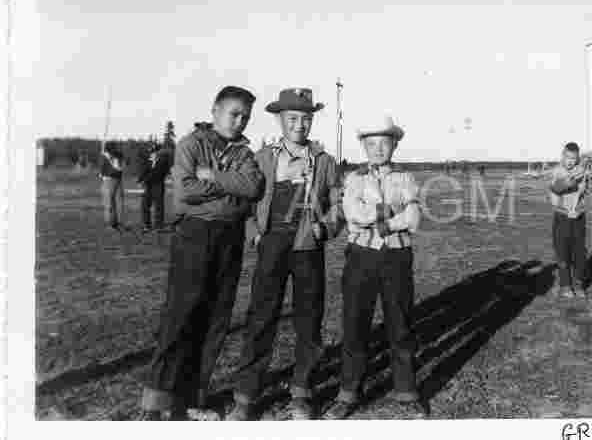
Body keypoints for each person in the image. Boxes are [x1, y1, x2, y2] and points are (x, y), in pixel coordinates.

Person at [137, 85, 265, 421]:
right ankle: (155, 402)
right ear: (215, 110)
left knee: (216, 319)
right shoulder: (191, 144)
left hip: (230, 238)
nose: (239, 122)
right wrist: (230, 188)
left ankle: (192, 398)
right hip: (194, 236)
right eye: (234, 114)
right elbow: (185, 192)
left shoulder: (245, 153)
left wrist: (212, 177)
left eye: (246, 117)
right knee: (180, 316)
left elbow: (254, 187)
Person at [225, 88, 343, 421]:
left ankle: (302, 393)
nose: (299, 125)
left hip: (308, 247)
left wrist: (325, 227)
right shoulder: (263, 158)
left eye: (305, 119)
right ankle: (245, 397)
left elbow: (338, 202)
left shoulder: (324, 161)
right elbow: (245, 201)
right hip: (272, 244)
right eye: (292, 118)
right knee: (261, 318)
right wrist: (254, 232)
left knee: (309, 319)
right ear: (280, 119)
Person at [323, 115, 427, 420]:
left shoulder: (405, 178)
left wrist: (383, 223)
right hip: (361, 257)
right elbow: (353, 213)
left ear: (394, 145)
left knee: (400, 323)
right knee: (355, 323)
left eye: (384, 143)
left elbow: (414, 219)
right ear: (363, 147)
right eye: (371, 144)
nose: (378, 149)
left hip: (397, 256)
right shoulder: (354, 179)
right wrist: (391, 212)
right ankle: (348, 392)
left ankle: (406, 391)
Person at [549, 142, 592, 299]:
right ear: (562, 156)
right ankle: (565, 285)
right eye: (568, 157)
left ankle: (578, 284)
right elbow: (555, 188)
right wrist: (570, 181)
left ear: (577, 159)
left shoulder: (581, 170)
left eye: (574, 159)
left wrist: (588, 180)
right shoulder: (557, 171)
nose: (570, 161)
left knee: (579, 253)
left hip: (578, 217)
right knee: (562, 252)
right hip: (562, 217)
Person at [138, 143, 171, 231]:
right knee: (145, 205)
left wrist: (145, 180)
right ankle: (146, 225)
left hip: (158, 185)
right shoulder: (148, 161)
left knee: (158, 206)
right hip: (148, 186)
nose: (152, 154)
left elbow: (157, 174)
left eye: (154, 152)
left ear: (157, 152)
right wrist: (140, 180)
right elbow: (143, 171)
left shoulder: (163, 162)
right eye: (151, 152)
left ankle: (159, 225)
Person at [99, 142, 125, 230]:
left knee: (114, 203)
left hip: (113, 180)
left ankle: (115, 223)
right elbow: (102, 171)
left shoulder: (115, 156)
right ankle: (113, 223)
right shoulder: (106, 157)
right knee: (112, 203)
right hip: (112, 180)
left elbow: (102, 172)